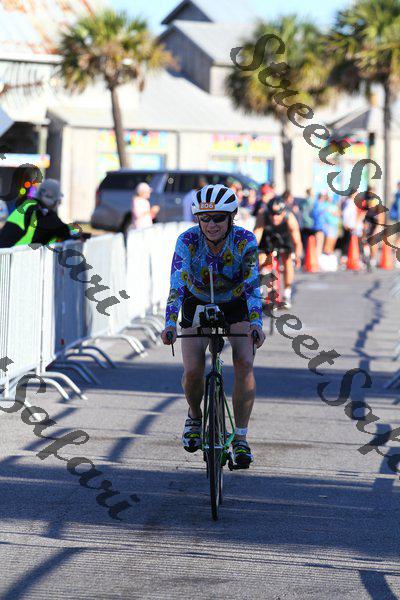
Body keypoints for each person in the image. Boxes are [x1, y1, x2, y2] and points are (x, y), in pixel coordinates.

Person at [161, 184, 265, 468]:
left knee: (244, 362)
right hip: (197, 300)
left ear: (231, 217)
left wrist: (256, 322)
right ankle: (195, 416)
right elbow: (177, 283)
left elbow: (252, 284)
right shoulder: (187, 240)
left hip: (235, 303)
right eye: (204, 218)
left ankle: (240, 438)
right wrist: (169, 322)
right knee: (193, 371)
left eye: (218, 218)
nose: (211, 224)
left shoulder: (245, 240)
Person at [254, 197, 303, 309]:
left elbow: (297, 241)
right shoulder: (263, 215)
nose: (275, 217)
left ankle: (287, 293)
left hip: (284, 240)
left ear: (284, 212)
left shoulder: (290, 218)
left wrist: (297, 256)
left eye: (278, 214)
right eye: (272, 214)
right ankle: (261, 282)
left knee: (287, 261)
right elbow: (256, 235)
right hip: (267, 238)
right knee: (260, 259)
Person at [0, 178, 76, 248]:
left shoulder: (28, 206)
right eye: (58, 201)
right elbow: (62, 230)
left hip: (9, 255)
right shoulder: (39, 211)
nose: (58, 204)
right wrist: (78, 235)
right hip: (16, 256)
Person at [311, 193, 327, 261]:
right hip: (319, 227)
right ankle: (317, 259)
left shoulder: (317, 204)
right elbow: (317, 215)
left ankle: (317, 258)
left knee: (319, 244)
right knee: (319, 244)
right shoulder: (319, 205)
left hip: (318, 227)